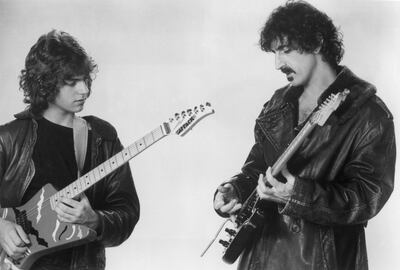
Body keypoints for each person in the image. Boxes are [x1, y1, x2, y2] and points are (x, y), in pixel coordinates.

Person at [213, 1, 395, 270]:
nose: (277, 64)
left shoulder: (368, 114)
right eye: (274, 53)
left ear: (318, 43)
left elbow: (367, 199)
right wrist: (233, 190)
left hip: (323, 261)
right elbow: (256, 170)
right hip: (260, 257)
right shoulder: (277, 104)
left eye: (285, 50)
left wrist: (298, 195)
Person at [0, 30, 140, 269]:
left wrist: (95, 220)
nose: (84, 89)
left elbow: (127, 212)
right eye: (72, 81)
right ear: (46, 82)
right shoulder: (8, 138)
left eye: (86, 79)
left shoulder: (101, 138)